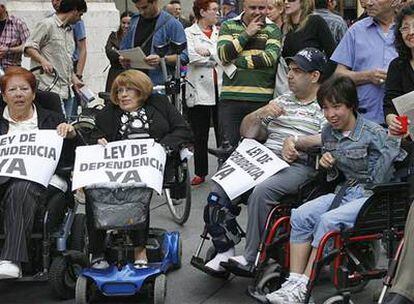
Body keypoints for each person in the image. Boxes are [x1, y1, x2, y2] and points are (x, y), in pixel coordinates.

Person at [265, 76, 406, 304]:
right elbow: (334, 174)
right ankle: (294, 281)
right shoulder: (329, 132)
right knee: (299, 215)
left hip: (373, 196)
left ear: (351, 105)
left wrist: (392, 142)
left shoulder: (373, 133)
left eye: (337, 107)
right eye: (326, 108)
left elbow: (381, 178)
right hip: (346, 191)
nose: (331, 114)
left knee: (328, 221)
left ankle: (304, 286)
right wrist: (326, 163)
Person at [204, 47, 327, 273]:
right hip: (263, 158)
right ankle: (224, 248)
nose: (289, 75)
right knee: (219, 188)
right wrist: (260, 113)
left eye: (297, 71)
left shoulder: (324, 104)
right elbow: (247, 132)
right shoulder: (283, 99)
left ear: (315, 76)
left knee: (262, 191)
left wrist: (297, 142)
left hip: (297, 164)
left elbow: (328, 136)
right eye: (289, 69)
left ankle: (251, 257)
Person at [88, 70, 192, 269]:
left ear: (142, 91)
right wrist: (97, 140)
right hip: (117, 168)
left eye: (129, 90)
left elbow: (183, 129)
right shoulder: (109, 112)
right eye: (119, 91)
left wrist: (162, 146)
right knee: (96, 192)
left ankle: (139, 249)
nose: (123, 95)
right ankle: (97, 251)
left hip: (152, 166)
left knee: (135, 190)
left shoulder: (159, 104)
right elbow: (94, 134)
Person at [0, 67, 77, 279]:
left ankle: (12, 259)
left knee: (21, 187)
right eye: (12, 89)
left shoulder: (53, 119)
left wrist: (71, 135)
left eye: (24, 89)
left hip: (45, 180)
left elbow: (74, 155)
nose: (18, 94)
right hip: (4, 178)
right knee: (14, 186)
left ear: (33, 94)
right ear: (4, 95)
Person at [381, 4, 414, 303]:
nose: (410, 32)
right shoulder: (398, 67)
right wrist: (392, 119)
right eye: (404, 27)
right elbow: (390, 103)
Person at [217, 0, 282, 147]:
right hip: (231, 98)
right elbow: (223, 54)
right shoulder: (228, 25)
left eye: (262, 8)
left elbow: (269, 58)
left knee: (259, 151)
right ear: (243, 8)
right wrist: (246, 34)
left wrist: (236, 60)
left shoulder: (273, 29)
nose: (258, 12)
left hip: (262, 99)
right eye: (253, 8)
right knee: (229, 151)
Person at [331, 0, 400, 124]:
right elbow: (338, 75)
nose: (368, 3)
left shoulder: (407, 31)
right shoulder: (356, 30)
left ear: (396, 1)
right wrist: (367, 76)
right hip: (363, 121)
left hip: (402, 122)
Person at [24, 0, 87, 118]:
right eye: (80, 14)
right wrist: (43, 60)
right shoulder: (47, 24)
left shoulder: (69, 30)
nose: (80, 19)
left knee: (66, 127)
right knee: (55, 126)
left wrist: (75, 79)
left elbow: (65, 61)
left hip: (66, 90)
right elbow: (29, 47)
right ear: (74, 11)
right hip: (48, 87)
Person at [185, 0, 221, 186]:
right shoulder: (189, 33)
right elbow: (192, 57)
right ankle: (200, 172)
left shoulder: (220, 31)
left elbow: (226, 55)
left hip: (220, 87)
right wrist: (213, 55)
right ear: (202, 12)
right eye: (214, 10)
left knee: (223, 132)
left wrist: (208, 53)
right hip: (199, 89)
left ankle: (224, 170)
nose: (218, 13)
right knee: (200, 133)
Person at [120, 0, 188, 86]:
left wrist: (162, 59)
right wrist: (124, 59)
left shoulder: (172, 24)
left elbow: (184, 57)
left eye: (145, 7)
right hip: (134, 83)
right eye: (138, 8)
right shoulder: (134, 21)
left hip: (159, 85)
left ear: (155, 2)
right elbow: (124, 48)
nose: (141, 11)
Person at [281, 0, 335, 73]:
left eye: (291, 0)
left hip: (311, 79)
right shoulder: (285, 27)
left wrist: (322, 79)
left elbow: (332, 54)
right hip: (290, 78)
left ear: (302, 2)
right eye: (284, 0)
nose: (286, 2)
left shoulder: (316, 21)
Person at [104, 11, 133, 92]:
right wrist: (119, 56)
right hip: (115, 72)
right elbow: (109, 51)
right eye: (123, 23)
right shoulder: (114, 36)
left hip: (131, 74)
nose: (126, 26)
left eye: (129, 23)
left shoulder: (136, 37)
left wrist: (118, 51)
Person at [0, 0, 29, 70]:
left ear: (3, 7)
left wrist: (8, 50)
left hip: (12, 69)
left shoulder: (18, 23)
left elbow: (28, 46)